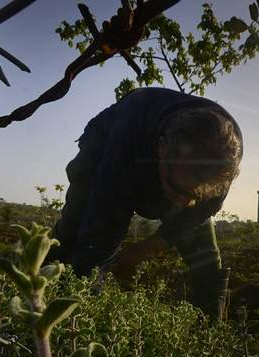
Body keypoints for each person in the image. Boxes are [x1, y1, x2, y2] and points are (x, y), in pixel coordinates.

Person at [46, 87, 243, 319]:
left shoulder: (224, 159)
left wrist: (145, 249)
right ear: (162, 149)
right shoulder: (128, 144)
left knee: (203, 252)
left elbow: (197, 213)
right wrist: (90, 284)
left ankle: (212, 324)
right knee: (75, 233)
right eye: (179, 189)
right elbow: (103, 230)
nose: (184, 201)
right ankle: (46, 298)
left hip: (163, 160)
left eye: (196, 195)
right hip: (107, 142)